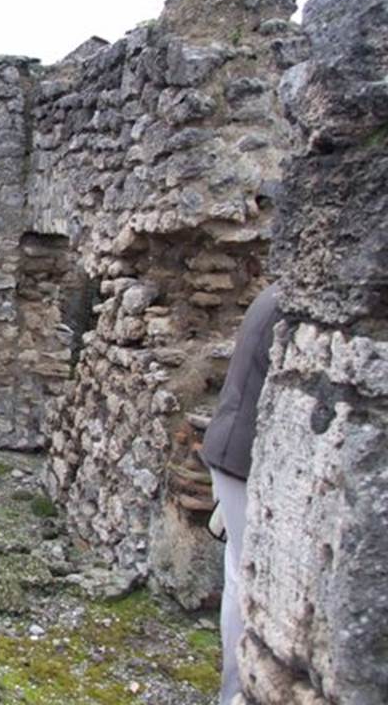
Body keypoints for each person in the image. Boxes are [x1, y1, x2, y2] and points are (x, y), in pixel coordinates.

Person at [200, 282, 280, 705]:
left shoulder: (275, 295)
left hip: (234, 452)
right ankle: (237, 690)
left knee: (239, 577)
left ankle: (237, 688)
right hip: (242, 460)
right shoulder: (294, 302)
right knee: (244, 581)